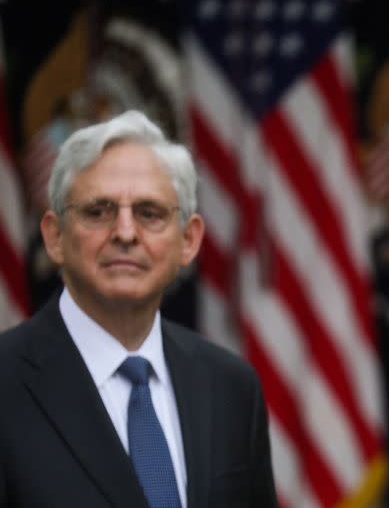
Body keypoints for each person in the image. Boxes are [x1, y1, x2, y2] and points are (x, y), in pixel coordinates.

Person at [0, 110, 278, 508]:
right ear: (55, 236)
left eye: (149, 213)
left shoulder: (232, 388)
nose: (126, 233)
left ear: (188, 240)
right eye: (99, 211)